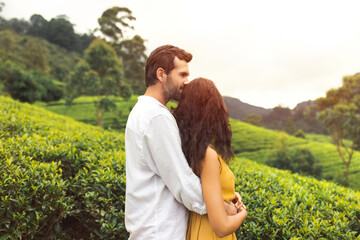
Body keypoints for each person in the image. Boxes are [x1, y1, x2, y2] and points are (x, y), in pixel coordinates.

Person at [125, 45, 241, 239]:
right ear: (161, 74)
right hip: (160, 232)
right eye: (182, 75)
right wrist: (223, 208)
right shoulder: (156, 117)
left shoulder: (142, 111)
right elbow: (183, 182)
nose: (187, 82)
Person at [173, 77, 248, 239]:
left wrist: (229, 195)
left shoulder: (192, 149)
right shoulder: (207, 155)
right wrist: (242, 213)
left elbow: (207, 192)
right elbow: (221, 228)